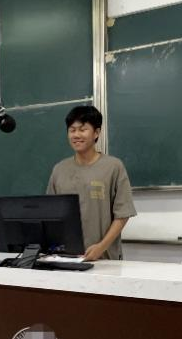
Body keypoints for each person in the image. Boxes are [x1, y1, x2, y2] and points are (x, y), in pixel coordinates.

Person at [46, 105, 136, 261]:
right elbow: (50, 214)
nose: (76, 135)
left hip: (105, 259)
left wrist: (101, 247)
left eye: (83, 129)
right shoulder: (59, 169)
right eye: (72, 130)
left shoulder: (113, 167)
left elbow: (123, 214)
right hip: (66, 258)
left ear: (96, 133)